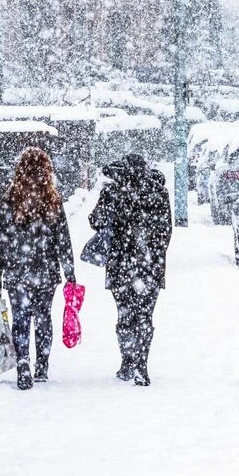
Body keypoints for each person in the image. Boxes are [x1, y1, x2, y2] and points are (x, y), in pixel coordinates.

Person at [0, 147, 77, 391]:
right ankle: (42, 365)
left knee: (21, 318)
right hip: (46, 271)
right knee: (43, 317)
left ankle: (23, 364)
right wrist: (70, 273)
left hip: (17, 271)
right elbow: (63, 240)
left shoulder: (9, 200)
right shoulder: (53, 200)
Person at [89, 154, 172, 387]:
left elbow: (96, 221)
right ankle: (141, 364)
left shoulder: (113, 191)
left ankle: (127, 362)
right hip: (150, 266)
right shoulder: (158, 192)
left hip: (120, 265)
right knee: (144, 315)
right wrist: (153, 255)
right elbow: (165, 232)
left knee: (125, 314)